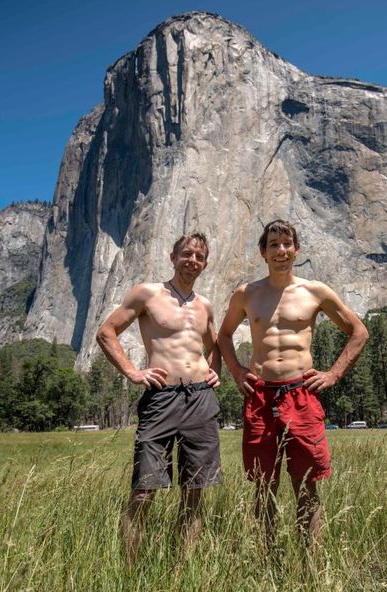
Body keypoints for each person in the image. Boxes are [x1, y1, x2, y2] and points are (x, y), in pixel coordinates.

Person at [217, 219, 369, 544]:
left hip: (301, 395)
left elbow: (359, 332)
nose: (281, 251)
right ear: (263, 252)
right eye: (273, 244)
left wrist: (333, 374)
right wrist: (237, 371)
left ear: (296, 249)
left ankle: (308, 568)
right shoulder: (247, 294)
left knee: (306, 485)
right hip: (260, 397)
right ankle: (270, 564)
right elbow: (224, 335)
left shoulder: (315, 292)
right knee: (263, 485)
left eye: (286, 244)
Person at [96, 232, 221, 565]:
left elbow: (216, 344)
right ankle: (129, 572)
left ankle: (183, 571)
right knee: (143, 491)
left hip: (200, 399)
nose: (192, 260)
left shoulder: (204, 305)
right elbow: (106, 332)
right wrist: (133, 373)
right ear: (173, 256)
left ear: (205, 264)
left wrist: (214, 370)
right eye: (187, 254)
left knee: (194, 492)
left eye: (199, 256)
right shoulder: (147, 294)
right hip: (161, 398)